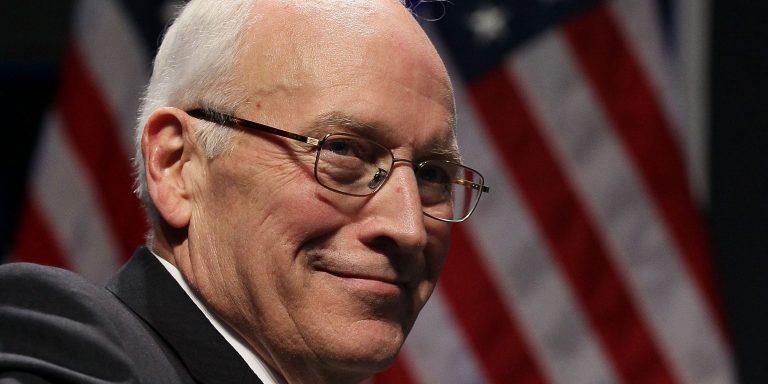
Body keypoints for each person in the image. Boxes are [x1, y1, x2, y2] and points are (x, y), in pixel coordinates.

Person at [0, 0, 489, 382]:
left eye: (431, 175)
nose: (408, 229)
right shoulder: (70, 350)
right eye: (343, 151)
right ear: (177, 165)